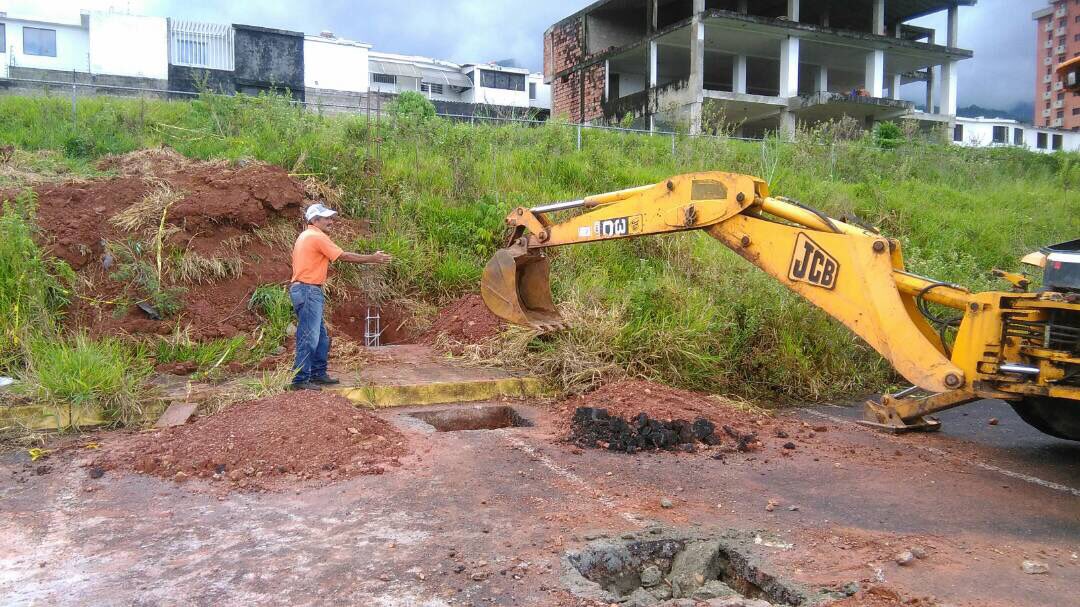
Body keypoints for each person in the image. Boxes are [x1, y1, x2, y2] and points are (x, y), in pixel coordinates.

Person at [288, 203, 392, 390]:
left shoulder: (307, 236)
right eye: (326, 218)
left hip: (307, 290)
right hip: (308, 290)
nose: (330, 221)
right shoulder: (315, 236)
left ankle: (318, 374)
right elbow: (343, 256)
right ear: (314, 220)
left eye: (330, 218)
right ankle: (300, 380)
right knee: (309, 337)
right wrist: (372, 258)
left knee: (321, 338)